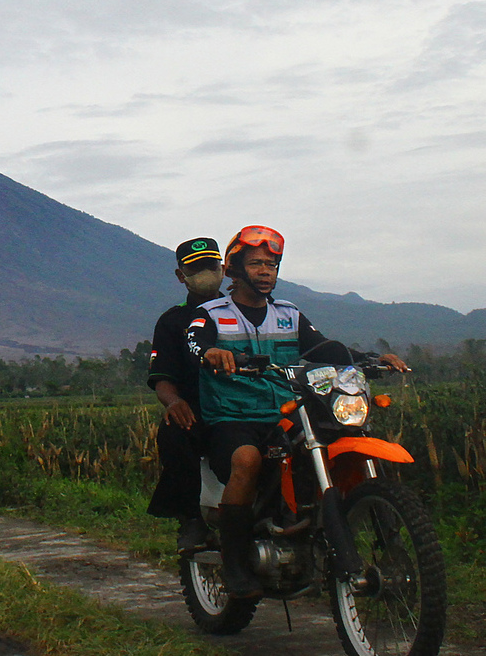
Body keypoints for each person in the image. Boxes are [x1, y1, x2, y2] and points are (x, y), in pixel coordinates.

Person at [185, 225, 406, 598]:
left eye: (271, 264)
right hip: (233, 418)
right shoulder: (210, 314)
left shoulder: (289, 315)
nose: (266, 271)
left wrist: (369, 359)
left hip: (286, 413)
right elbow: (194, 341)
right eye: (256, 263)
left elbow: (324, 349)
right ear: (234, 269)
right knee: (247, 460)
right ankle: (235, 562)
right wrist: (211, 353)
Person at [146, 237, 225, 554]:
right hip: (201, 410)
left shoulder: (244, 312)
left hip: (247, 406)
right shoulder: (172, 321)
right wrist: (175, 403)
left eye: (211, 266)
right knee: (173, 433)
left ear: (223, 269)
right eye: (196, 269)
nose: (206, 273)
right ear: (181, 276)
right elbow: (162, 376)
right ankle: (191, 518)